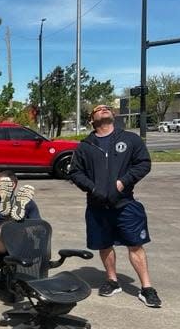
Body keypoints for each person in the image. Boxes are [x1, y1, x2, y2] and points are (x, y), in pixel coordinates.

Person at [69, 104, 161, 307]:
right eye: (98, 109)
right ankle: (112, 281)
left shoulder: (130, 139)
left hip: (125, 203)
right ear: (91, 119)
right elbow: (75, 173)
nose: (104, 109)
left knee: (135, 244)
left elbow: (143, 163)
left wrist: (122, 182)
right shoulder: (85, 146)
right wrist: (93, 188)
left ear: (113, 115)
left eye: (107, 107)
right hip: (97, 206)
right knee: (104, 244)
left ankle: (147, 288)